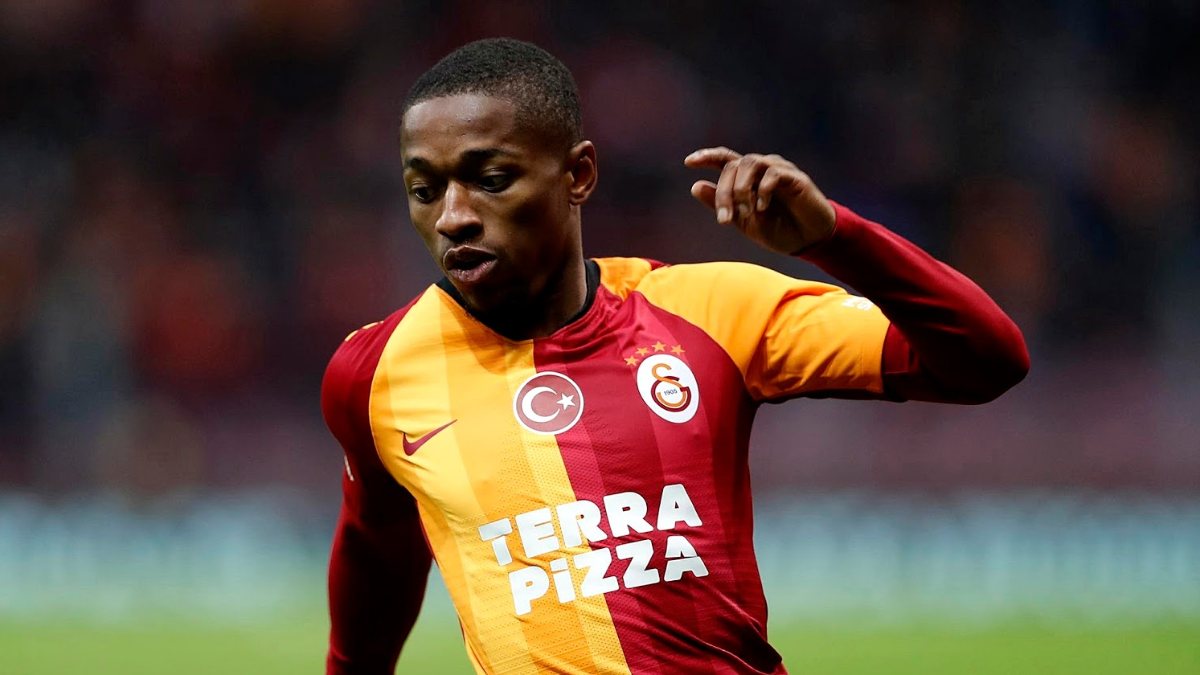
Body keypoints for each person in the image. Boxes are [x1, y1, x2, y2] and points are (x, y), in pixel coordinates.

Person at [320, 37, 1029, 675]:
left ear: (578, 175)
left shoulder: (708, 311)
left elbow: (987, 357)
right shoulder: (375, 374)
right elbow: (376, 561)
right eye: (425, 189)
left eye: (492, 179)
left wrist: (836, 238)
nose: (453, 215)